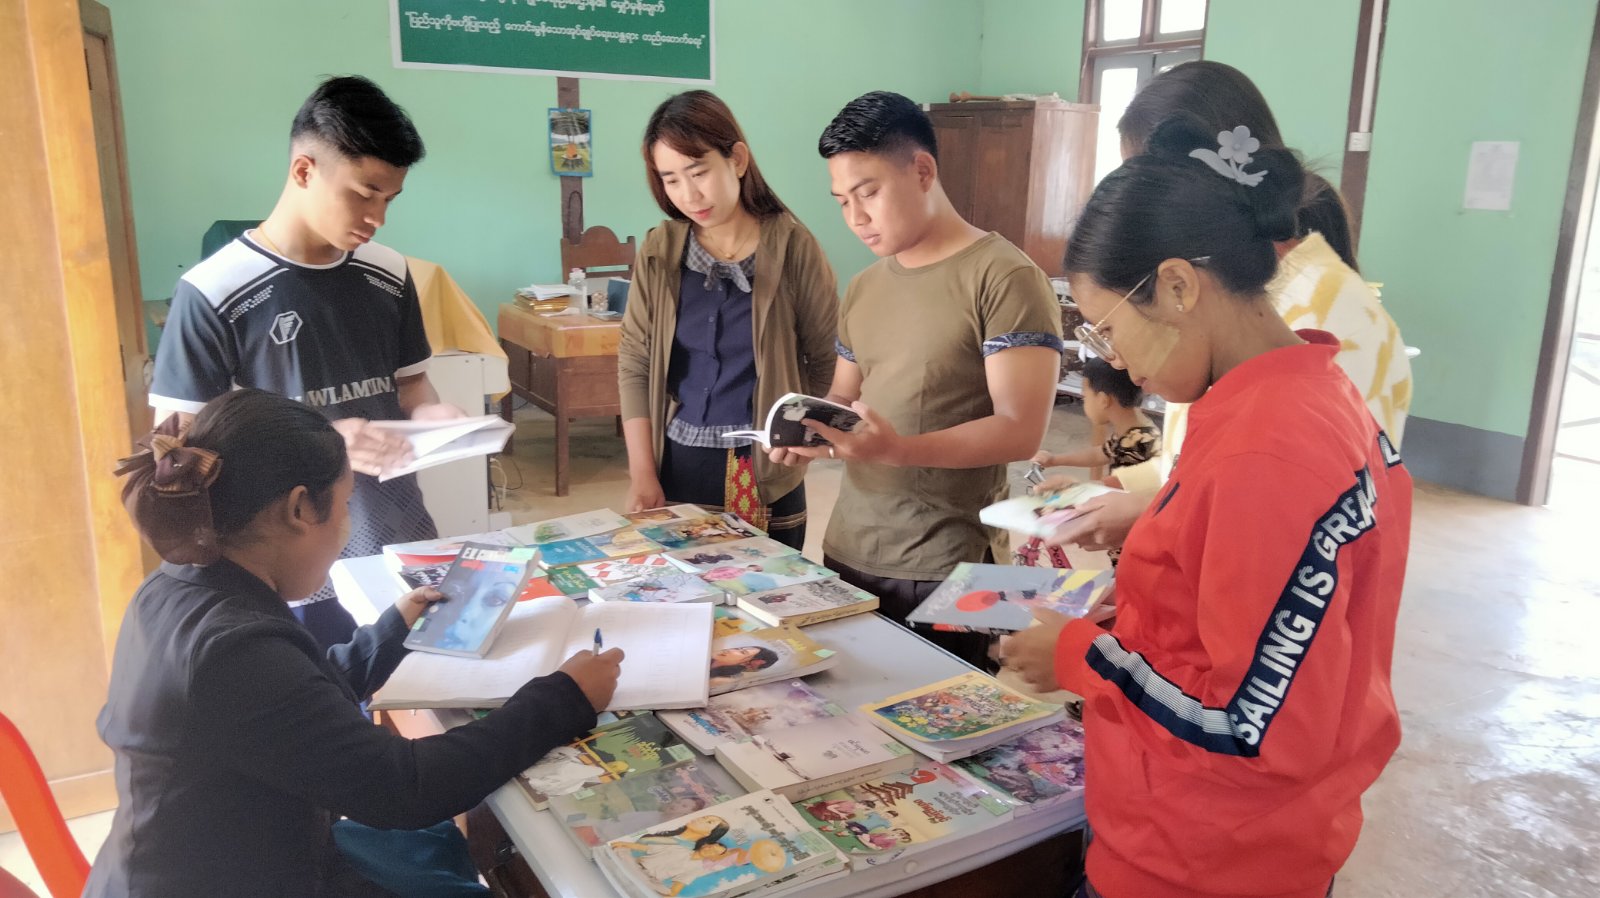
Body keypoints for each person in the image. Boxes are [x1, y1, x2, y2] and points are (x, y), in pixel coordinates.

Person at [1000, 116, 1412, 898]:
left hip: (1200, 862)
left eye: (1110, 329)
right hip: (1232, 839)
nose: (1117, 362)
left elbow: (1255, 729)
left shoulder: (1270, 453)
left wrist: (1080, 656)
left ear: (1180, 285)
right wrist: (1134, 608)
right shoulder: (1304, 394)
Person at [86, 389, 624, 898]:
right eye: (344, 505)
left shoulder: (182, 586)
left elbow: (296, 711)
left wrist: (391, 632)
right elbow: (407, 787)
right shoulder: (234, 650)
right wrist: (563, 698)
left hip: (235, 858)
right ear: (300, 509)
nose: (345, 524)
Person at [148, 75, 463, 650]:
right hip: (287, 563)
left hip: (396, 533)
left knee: (420, 680)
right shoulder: (213, 292)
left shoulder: (388, 273)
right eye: (364, 193)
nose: (377, 217)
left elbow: (412, 385)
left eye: (389, 199)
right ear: (303, 171)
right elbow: (177, 458)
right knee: (326, 688)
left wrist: (431, 416)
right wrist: (323, 442)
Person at [1054, 60, 1412, 554]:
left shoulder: (1317, 320)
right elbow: (1202, 465)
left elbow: (1300, 516)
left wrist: (1157, 520)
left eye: (1155, 184)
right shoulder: (1231, 316)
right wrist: (1126, 492)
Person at [775, 91, 1062, 666]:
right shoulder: (864, 286)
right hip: (850, 546)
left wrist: (898, 450)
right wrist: (810, 430)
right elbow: (844, 395)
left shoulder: (1006, 277)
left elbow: (1020, 430)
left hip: (957, 562)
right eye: (842, 201)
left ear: (923, 171)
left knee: (962, 710)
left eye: (868, 193)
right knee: (851, 703)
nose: (856, 218)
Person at [618, 90, 839, 550]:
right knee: (679, 588)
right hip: (677, 461)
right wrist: (642, 472)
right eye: (671, 180)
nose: (689, 195)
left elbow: (826, 359)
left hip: (764, 468)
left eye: (699, 172)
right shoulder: (661, 251)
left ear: (737, 159)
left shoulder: (793, 248)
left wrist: (801, 437)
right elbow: (635, 363)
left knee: (769, 589)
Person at [1016, 357, 1160, 567]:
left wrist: (1075, 496)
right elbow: (1101, 453)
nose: (1085, 403)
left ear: (1103, 400)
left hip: (1132, 544)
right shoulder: (1137, 431)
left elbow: (1124, 491)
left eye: (1085, 397)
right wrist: (1054, 460)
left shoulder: (1137, 443)